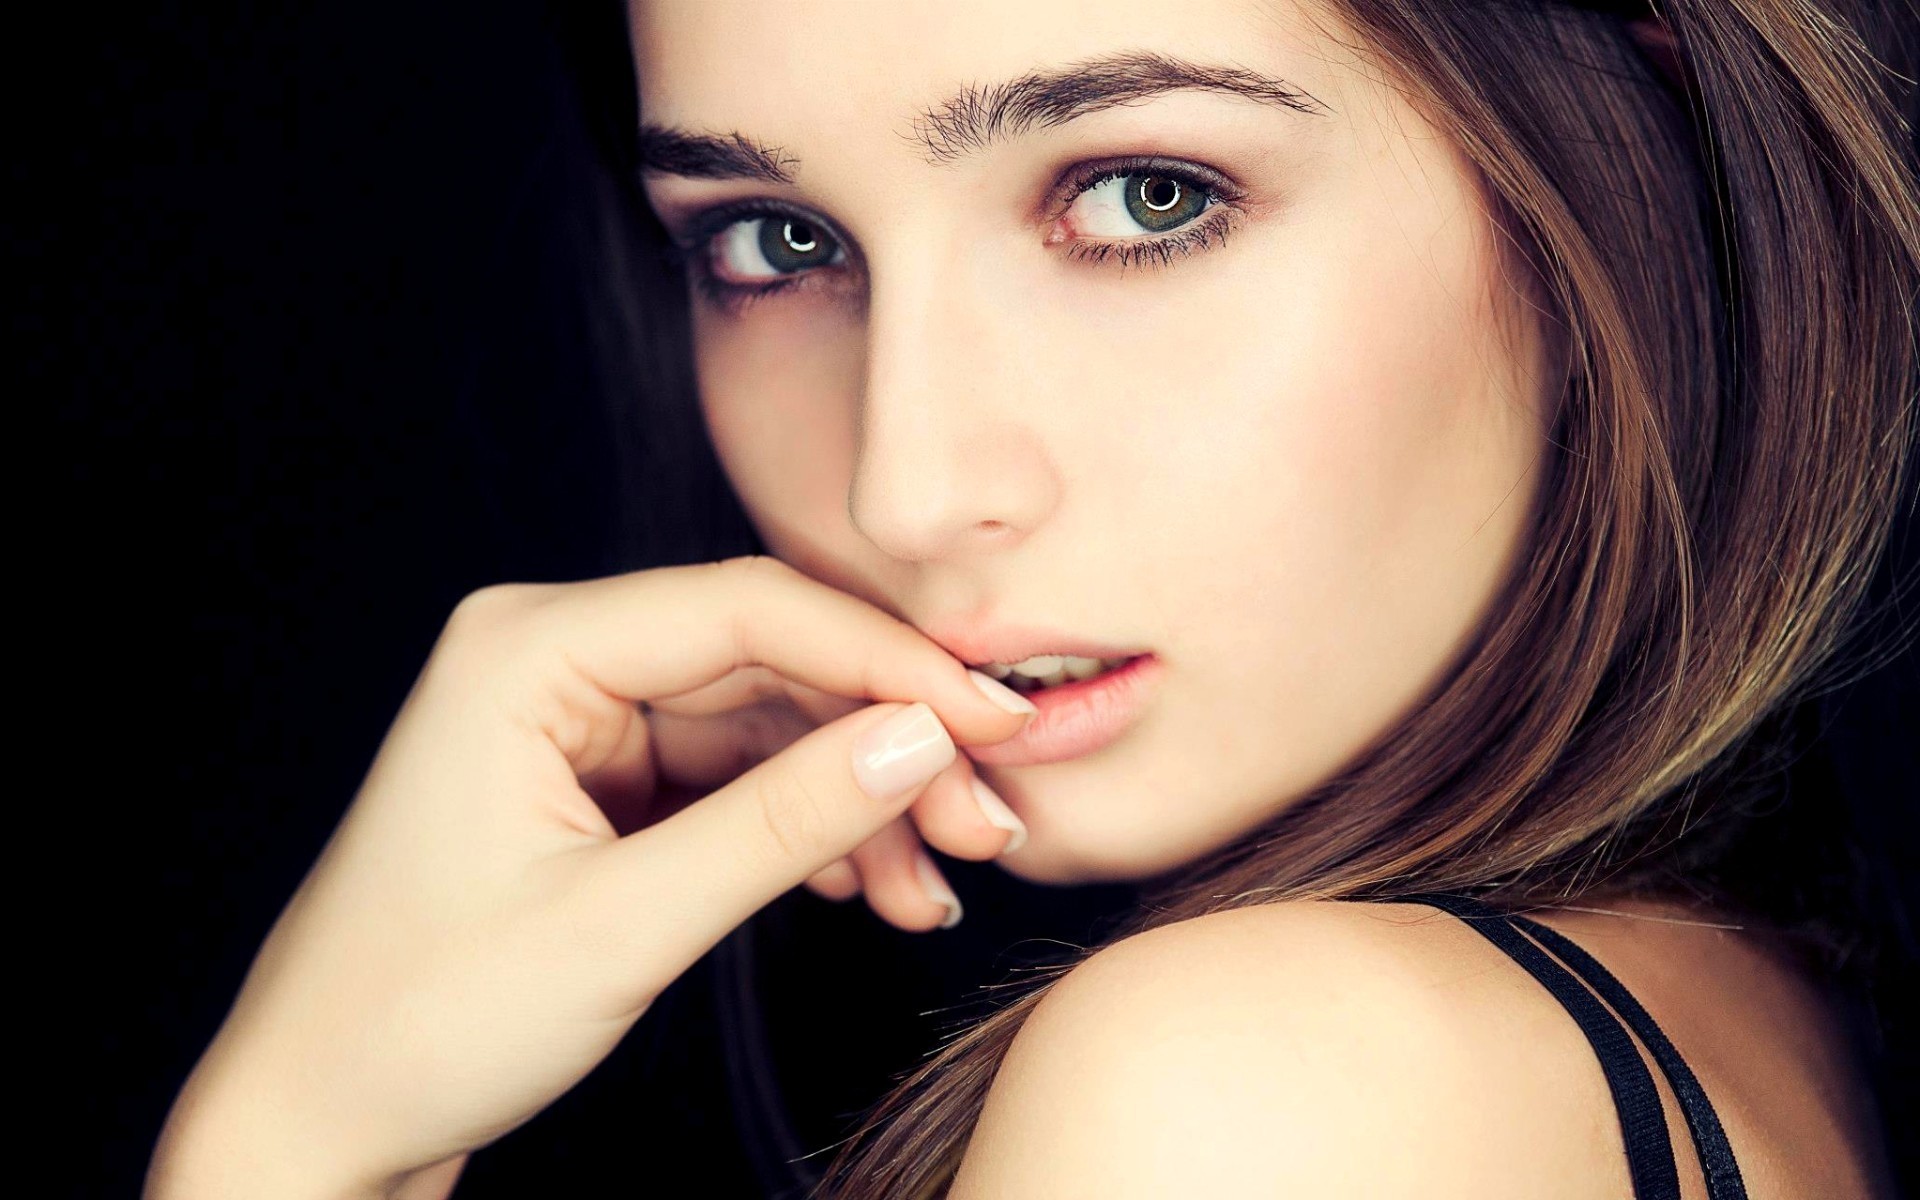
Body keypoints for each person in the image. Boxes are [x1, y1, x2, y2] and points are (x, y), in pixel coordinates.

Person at [144, 0, 1919, 1195]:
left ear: (1632, 152)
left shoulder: (1256, 1094)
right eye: (776, 242)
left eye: (1147, 197)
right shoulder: (1751, 1019)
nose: (901, 491)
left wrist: (297, 1147)